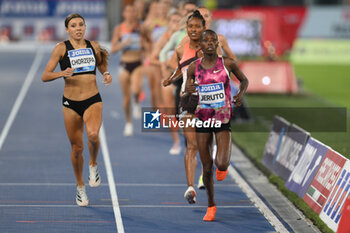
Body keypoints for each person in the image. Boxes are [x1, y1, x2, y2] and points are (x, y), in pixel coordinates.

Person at [41, 13, 112, 207]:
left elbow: (100, 63)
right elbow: (44, 76)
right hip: (70, 103)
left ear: (85, 27)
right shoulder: (61, 49)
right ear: (67, 29)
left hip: (92, 99)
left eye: (81, 24)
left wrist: (105, 73)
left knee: (93, 135)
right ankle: (80, 186)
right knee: (76, 148)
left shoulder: (94, 46)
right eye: (74, 25)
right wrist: (61, 73)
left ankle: (93, 164)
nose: (78, 28)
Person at [184, 29, 248, 221]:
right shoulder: (193, 68)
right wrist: (189, 89)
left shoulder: (227, 64)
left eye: (213, 40)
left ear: (217, 45)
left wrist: (240, 95)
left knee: (221, 162)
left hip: (222, 119)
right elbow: (188, 90)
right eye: (206, 40)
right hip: (202, 119)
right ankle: (211, 206)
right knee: (206, 167)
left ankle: (224, 166)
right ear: (201, 45)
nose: (210, 43)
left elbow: (244, 80)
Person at [162, 10, 206, 205]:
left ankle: (208, 173)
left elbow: (223, 71)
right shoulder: (181, 48)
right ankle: (190, 187)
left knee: (206, 145)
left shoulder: (212, 48)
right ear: (186, 29)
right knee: (192, 144)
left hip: (208, 102)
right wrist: (169, 79)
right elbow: (179, 70)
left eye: (197, 26)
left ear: (204, 28)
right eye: (190, 27)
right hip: (187, 100)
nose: (193, 30)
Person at [111, 4, 144, 136]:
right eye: (128, 11)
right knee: (126, 98)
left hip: (138, 63)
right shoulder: (119, 29)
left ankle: (136, 101)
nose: (130, 14)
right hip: (124, 63)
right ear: (124, 14)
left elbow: (148, 43)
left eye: (132, 11)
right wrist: (123, 44)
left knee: (136, 89)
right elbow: (113, 49)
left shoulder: (141, 28)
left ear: (135, 14)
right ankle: (128, 122)